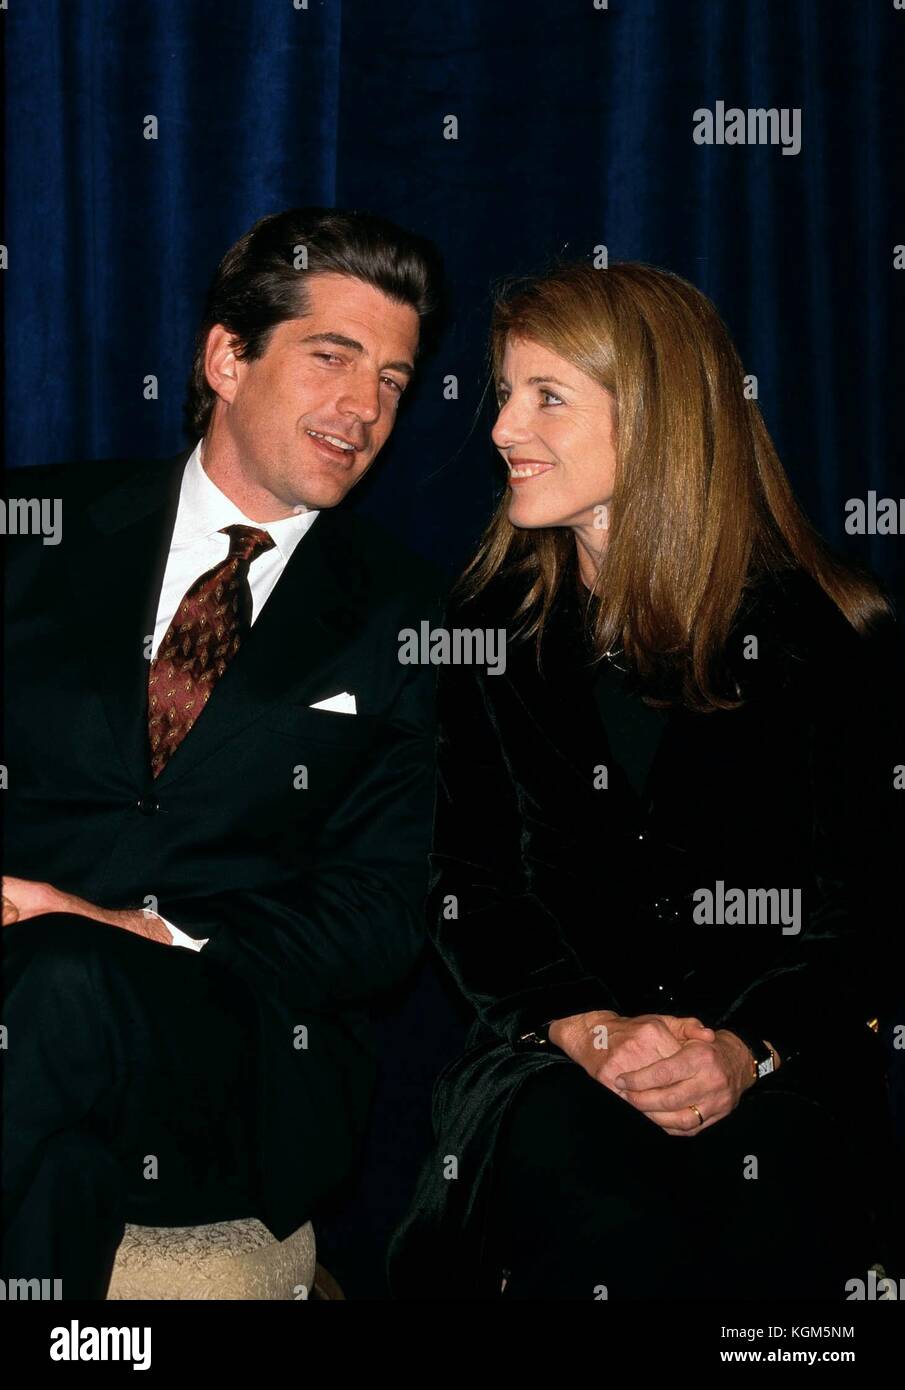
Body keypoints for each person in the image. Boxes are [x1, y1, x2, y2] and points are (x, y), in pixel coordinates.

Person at [388, 261, 904, 1300]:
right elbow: (462, 883)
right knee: (589, 1196)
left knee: (761, 1212)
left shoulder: (824, 637)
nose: (500, 430)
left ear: (659, 417)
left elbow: (864, 911)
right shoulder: (484, 631)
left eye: (546, 397)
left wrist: (739, 1048)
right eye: (504, 393)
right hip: (548, 1063)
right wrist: (588, 1026)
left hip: (777, 1069)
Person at [1, 207, 445, 1299]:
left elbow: (383, 913)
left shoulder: (412, 615)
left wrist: (137, 927)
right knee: (55, 1173)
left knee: (64, 977)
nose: (363, 408)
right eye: (331, 358)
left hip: (239, 1054)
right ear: (226, 357)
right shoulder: (35, 523)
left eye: (391, 381)